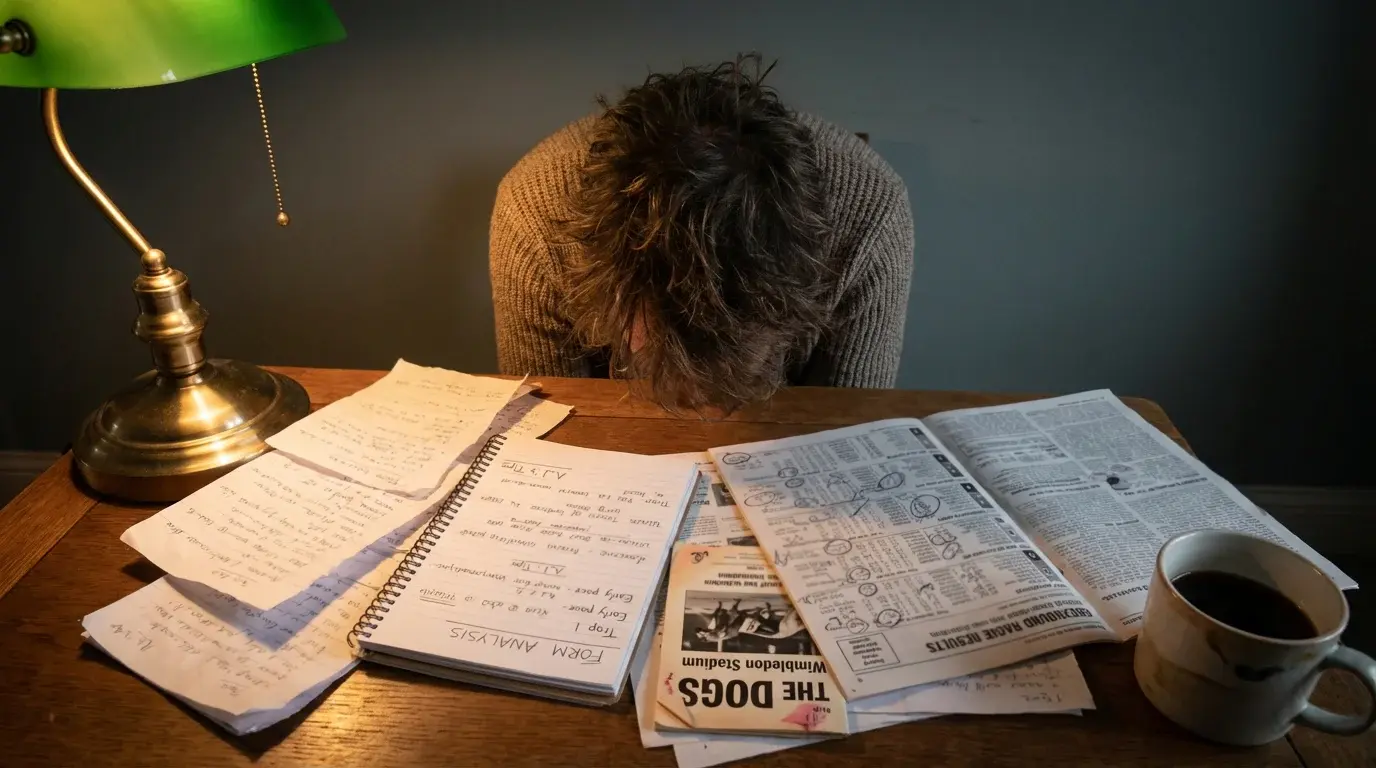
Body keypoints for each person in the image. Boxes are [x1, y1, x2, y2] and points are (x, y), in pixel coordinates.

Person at [489, 55, 914, 414]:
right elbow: (547, 426)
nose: (703, 412)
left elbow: (847, 420)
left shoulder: (869, 212)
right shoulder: (536, 213)